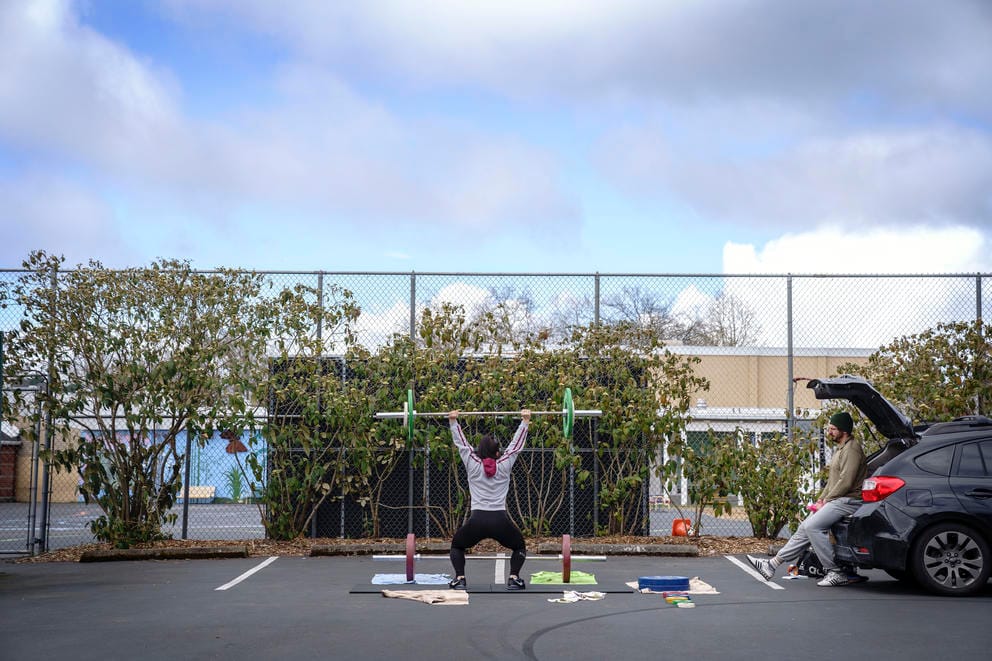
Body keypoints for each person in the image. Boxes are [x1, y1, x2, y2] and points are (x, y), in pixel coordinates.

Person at [748, 411, 868, 587]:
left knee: (813, 526)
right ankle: (772, 565)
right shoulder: (841, 448)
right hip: (837, 499)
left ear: (844, 430)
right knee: (805, 526)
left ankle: (835, 571)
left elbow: (846, 481)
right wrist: (821, 498)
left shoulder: (852, 450)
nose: (829, 432)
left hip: (849, 501)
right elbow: (834, 480)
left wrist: (827, 500)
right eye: (829, 428)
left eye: (833, 429)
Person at [447, 408, 530, 591]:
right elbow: (515, 447)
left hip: (477, 520)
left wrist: (453, 422)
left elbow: (462, 444)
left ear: (480, 451)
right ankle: (514, 578)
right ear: (498, 453)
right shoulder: (505, 464)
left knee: (457, 545)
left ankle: (460, 579)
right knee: (519, 545)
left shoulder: (472, 463)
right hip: (499, 520)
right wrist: (525, 422)